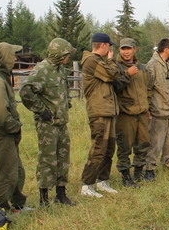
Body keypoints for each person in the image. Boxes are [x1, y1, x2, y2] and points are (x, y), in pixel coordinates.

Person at [19, 38, 76, 206]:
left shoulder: (60, 69)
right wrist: (41, 110)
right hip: (47, 124)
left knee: (63, 157)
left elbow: (62, 91)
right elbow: (26, 92)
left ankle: (61, 194)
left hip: (61, 122)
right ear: (59, 54)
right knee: (47, 159)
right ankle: (44, 198)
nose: (68, 58)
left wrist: (66, 104)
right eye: (66, 54)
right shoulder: (41, 70)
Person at [81, 33, 131, 197]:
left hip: (108, 110)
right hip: (99, 111)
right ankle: (87, 185)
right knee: (98, 148)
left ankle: (103, 181)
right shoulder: (91, 61)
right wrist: (110, 61)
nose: (111, 49)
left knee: (109, 148)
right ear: (103, 45)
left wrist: (108, 62)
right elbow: (113, 75)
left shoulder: (100, 61)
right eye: (109, 46)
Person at [0, 42, 29, 213]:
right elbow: (1, 115)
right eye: (12, 55)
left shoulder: (1, 76)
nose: (15, 58)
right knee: (5, 175)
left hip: (7, 134)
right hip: (1, 135)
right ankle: (0, 210)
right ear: (5, 57)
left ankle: (17, 204)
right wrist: (15, 127)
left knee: (16, 171)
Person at [113, 38, 150, 188]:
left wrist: (149, 107)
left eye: (129, 49)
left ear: (135, 49)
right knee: (124, 146)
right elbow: (114, 87)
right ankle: (125, 177)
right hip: (125, 113)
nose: (126, 52)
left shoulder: (142, 67)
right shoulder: (115, 67)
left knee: (142, 144)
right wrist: (127, 74)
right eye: (123, 49)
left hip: (142, 112)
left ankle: (138, 173)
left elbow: (147, 88)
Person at [145, 38, 169, 181]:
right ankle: (149, 168)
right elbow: (147, 88)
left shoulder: (168, 64)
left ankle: (168, 164)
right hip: (158, 110)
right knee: (155, 142)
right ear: (166, 49)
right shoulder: (152, 66)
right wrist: (148, 108)